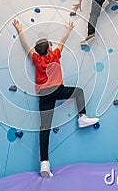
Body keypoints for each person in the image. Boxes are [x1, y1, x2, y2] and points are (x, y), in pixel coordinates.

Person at [12, 19, 99, 178]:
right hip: (57, 90)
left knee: (44, 129)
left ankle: (44, 163)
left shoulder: (37, 59)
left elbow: (26, 47)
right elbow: (62, 41)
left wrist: (20, 30)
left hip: (44, 95)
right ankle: (82, 117)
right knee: (78, 92)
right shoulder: (55, 55)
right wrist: (69, 30)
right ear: (49, 48)